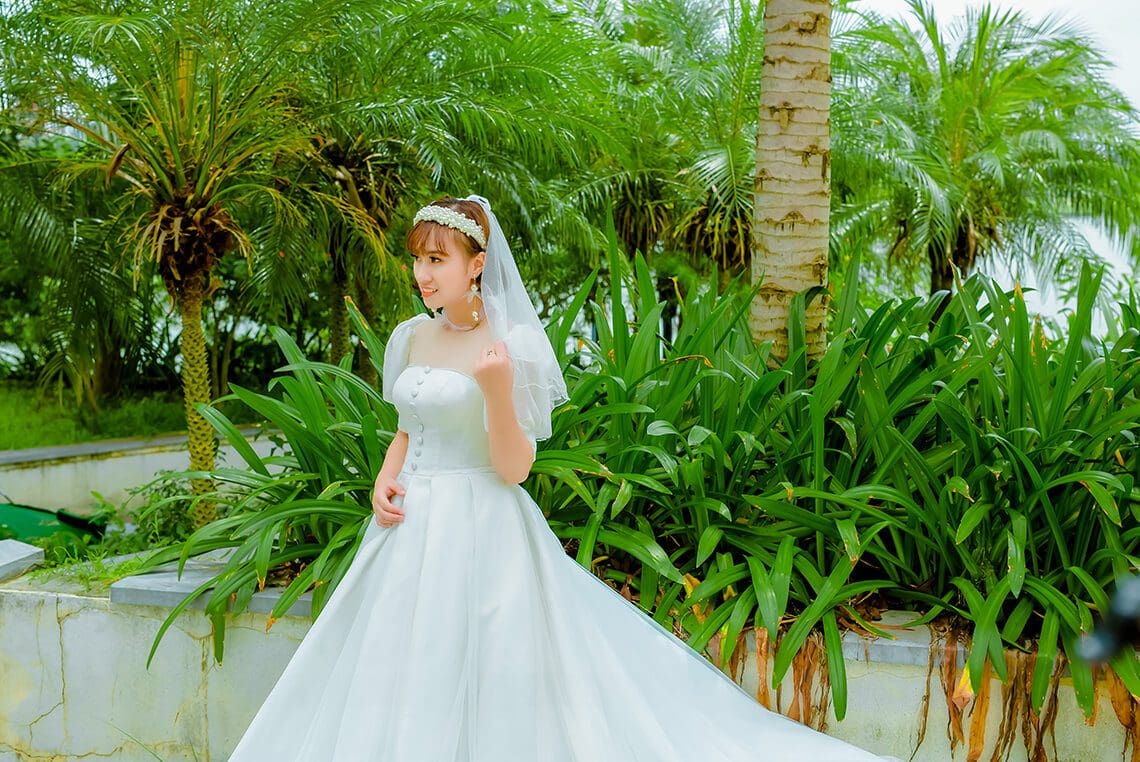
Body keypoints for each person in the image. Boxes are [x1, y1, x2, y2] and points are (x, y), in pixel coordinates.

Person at [227, 195, 895, 760]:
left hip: (483, 524)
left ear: (476, 265)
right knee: (402, 665)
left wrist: (494, 390)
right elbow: (407, 424)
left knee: (491, 667)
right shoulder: (411, 337)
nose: (422, 273)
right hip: (408, 528)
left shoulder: (508, 349)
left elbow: (515, 469)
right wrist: (385, 477)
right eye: (418, 259)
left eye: (437, 259)